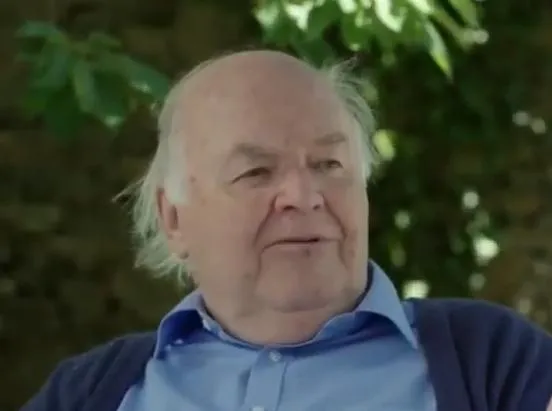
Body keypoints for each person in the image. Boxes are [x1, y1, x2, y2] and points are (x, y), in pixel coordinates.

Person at [21, 50, 552, 411]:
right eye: (256, 172)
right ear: (174, 218)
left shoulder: (492, 362)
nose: (304, 194)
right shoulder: (90, 392)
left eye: (328, 164)